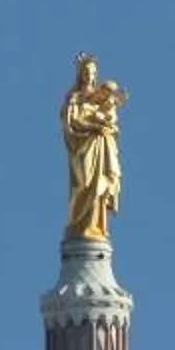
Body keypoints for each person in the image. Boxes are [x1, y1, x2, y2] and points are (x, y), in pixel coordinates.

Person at [61, 53, 126, 241]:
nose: (90, 76)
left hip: (101, 146)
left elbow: (111, 122)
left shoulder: (102, 100)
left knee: (100, 183)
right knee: (85, 184)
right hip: (84, 147)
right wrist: (93, 126)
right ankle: (80, 225)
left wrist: (105, 122)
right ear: (81, 74)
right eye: (86, 72)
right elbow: (72, 123)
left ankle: (97, 226)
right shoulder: (75, 99)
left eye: (93, 72)